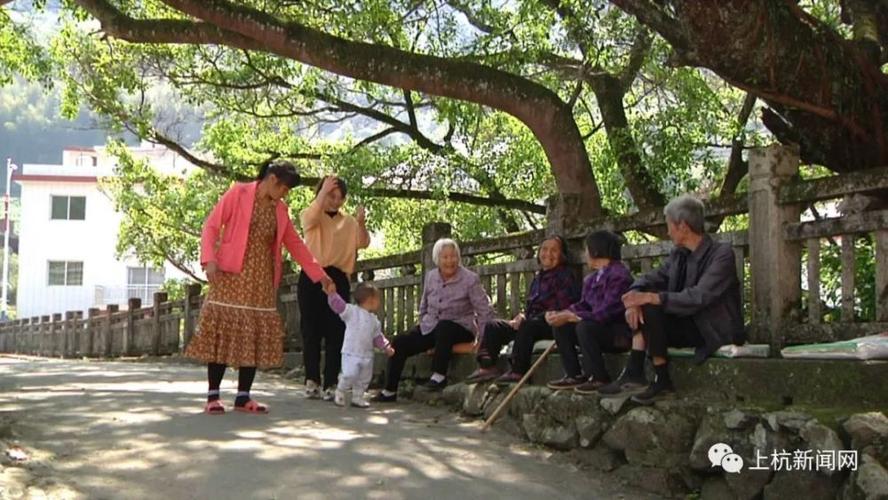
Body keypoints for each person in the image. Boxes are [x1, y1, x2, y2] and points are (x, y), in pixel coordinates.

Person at [186, 160, 333, 415]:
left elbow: (295, 245)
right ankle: (213, 396)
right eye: (285, 188)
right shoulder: (238, 193)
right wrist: (209, 259)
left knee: (252, 334)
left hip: (261, 279)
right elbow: (211, 225)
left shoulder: (280, 210)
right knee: (224, 330)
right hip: (231, 275)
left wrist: (320, 276)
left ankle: (243, 396)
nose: (285, 194)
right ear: (273, 179)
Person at [600, 195, 745, 405]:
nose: (668, 232)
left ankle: (656, 378)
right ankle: (640, 374)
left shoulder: (721, 254)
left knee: (652, 303)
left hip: (712, 329)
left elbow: (699, 296)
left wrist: (650, 297)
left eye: (669, 226)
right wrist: (635, 297)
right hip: (686, 323)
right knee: (646, 307)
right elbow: (652, 277)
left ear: (683, 226)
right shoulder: (679, 254)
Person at [373, 238, 494, 402]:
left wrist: (484, 339)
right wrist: (422, 322)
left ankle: (439, 375)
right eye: (445, 257)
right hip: (431, 327)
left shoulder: (470, 279)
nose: (449, 261)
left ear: (458, 258)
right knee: (400, 342)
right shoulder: (431, 276)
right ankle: (389, 390)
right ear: (437, 259)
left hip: (459, 328)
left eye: (453, 256)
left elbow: (484, 310)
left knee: (445, 327)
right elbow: (424, 305)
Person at [465, 235, 580, 384]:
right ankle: (487, 367)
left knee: (528, 325)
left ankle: (518, 370)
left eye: (554, 250)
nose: (548, 254)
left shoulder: (565, 276)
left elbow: (562, 308)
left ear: (562, 255)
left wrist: (530, 318)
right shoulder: (539, 278)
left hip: (552, 324)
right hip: (531, 324)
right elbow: (531, 308)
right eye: (544, 249)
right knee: (493, 326)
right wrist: (522, 316)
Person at [298, 176, 371, 401]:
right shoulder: (312, 214)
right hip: (312, 274)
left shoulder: (347, 222)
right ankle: (312, 380)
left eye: (340, 197)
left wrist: (360, 222)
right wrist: (323, 193)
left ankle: (330, 381)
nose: (336, 201)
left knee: (335, 330)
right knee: (310, 328)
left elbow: (363, 242)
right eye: (331, 195)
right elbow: (308, 219)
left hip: (338, 277)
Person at [544, 231, 634, 392]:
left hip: (616, 334)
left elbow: (606, 312)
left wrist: (575, 316)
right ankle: (574, 375)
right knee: (561, 325)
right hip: (595, 327)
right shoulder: (591, 279)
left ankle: (599, 377)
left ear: (596, 251)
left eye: (586, 249)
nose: (585, 254)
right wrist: (561, 314)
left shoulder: (619, 275)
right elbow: (583, 304)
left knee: (584, 326)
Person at [325, 282, 395, 408]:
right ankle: (340, 389)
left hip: (367, 354)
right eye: (378, 299)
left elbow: (377, 337)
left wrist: (386, 347)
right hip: (351, 351)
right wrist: (332, 295)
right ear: (371, 299)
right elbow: (339, 306)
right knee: (349, 373)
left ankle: (358, 396)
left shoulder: (374, 320)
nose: (379, 302)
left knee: (364, 378)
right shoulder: (352, 311)